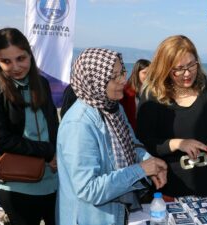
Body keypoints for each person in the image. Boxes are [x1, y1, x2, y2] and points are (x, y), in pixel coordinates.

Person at [56, 48, 167, 225]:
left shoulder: (113, 109)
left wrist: (149, 161)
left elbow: (131, 144)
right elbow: (88, 189)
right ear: (94, 81)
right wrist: (141, 170)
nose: (123, 80)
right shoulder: (78, 124)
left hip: (115, 215)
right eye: (114, 76)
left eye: (122, 71)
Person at [136, 35, 207, 199]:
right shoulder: (152, 96)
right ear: (165, 68)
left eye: (192, 65)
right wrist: (178, 143)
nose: (187, 73)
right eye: (178, 69)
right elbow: (144, 142)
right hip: (167, 187)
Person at [0, 28, 58, 225]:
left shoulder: (42, 83)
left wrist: (58, 152)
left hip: (52, 180)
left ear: (30, 54)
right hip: (15, 183)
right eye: (6, 61)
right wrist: (48, 151)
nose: (15, 66)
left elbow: (53, 125)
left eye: (20, 58)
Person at [120, 59, 151, 130]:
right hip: (132, 131)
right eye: (145, 73)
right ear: (137, 73)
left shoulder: (152, 91)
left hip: (148, 131)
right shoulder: (126, 92)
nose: (148, 76)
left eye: (150, 73)